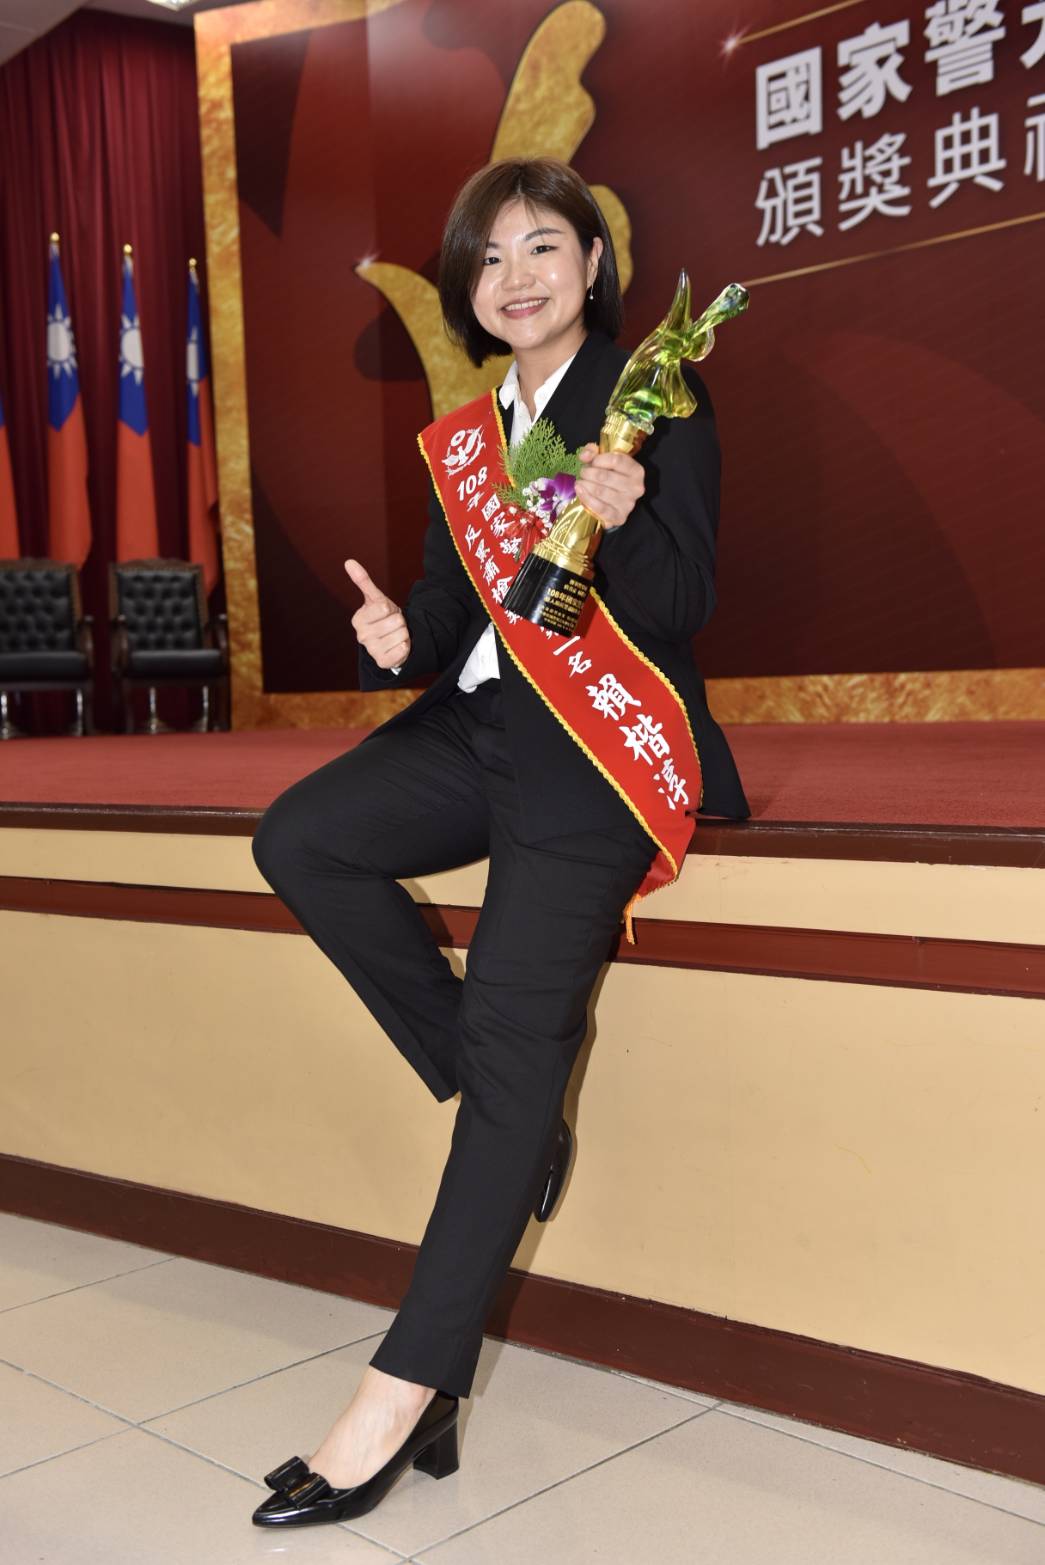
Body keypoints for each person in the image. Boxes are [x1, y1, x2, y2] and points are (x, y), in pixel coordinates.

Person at [249, 156, 750, 1529]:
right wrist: (399, 638)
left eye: (542, 247)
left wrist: (623, 520)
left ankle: (402, 1393)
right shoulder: (469, 436)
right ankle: (503, 1101)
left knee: (519, 1046)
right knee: (303, 838)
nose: (515, 276)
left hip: (593, 754)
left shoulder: (653, 394)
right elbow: (448, 612)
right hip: (480, 730)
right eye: (489, 257)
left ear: (592, 263)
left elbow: (684, 603)